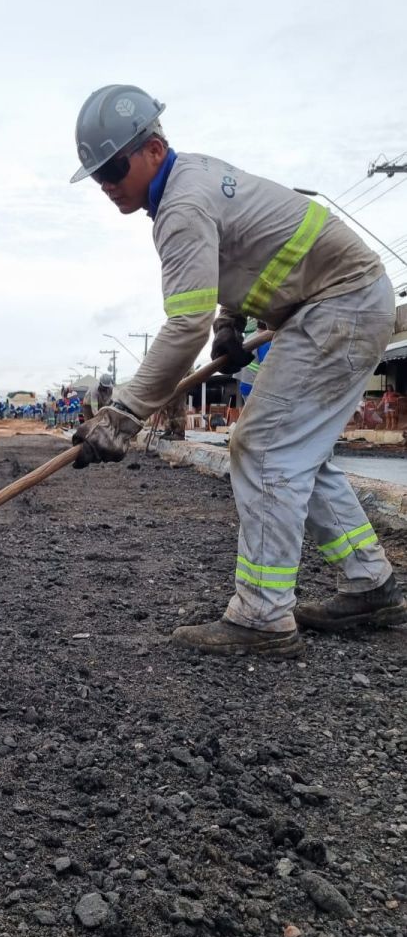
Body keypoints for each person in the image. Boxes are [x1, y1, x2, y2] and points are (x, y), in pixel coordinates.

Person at [69, 83, 405, 658]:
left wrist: (123, 415)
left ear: (152, 148)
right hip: (335, 303)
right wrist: (234, 317)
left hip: (338, 304)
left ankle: (262, 618)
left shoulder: (180, 206)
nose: (106, 185)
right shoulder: (192, 182)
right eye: (97, 174)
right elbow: (251, 248)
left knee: (263, 447)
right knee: (298, 456)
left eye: (114, 167)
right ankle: (370, 585)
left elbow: (182, 328)